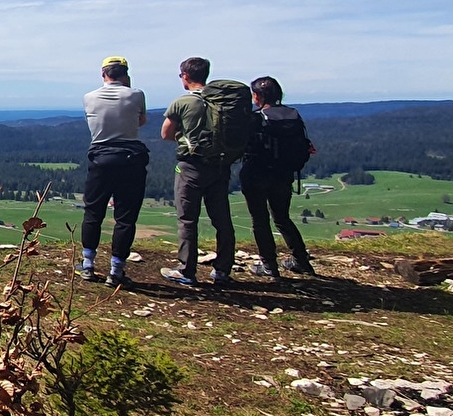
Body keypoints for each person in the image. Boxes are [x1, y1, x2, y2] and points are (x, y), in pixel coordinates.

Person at [160, 57, 237, 286]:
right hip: (220, 166)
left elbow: (166, 134)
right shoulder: (222, 102)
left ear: (185, 75)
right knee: (222, 220)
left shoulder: (183, 102)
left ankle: (186, 270)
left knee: (187, 219)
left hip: (190, 167)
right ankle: (223, 270)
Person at [80, 55, 149, 287]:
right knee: (125, 217)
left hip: (100, 158)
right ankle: (116, 269)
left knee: (93, 213)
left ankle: (88, 264)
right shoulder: (137, 94)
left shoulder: (89, 97)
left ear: (103, 74)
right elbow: (140, 121)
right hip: (131, 159)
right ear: (126, 74)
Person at [241, 76, 318, 280]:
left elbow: (245, 145)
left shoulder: (257, 118)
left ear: (257, 96)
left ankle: (269, 265)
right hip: (284, 175)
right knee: (282, 218)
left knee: (260, 220)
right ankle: (301, 260)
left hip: (257, 174)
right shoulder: (293, 115)